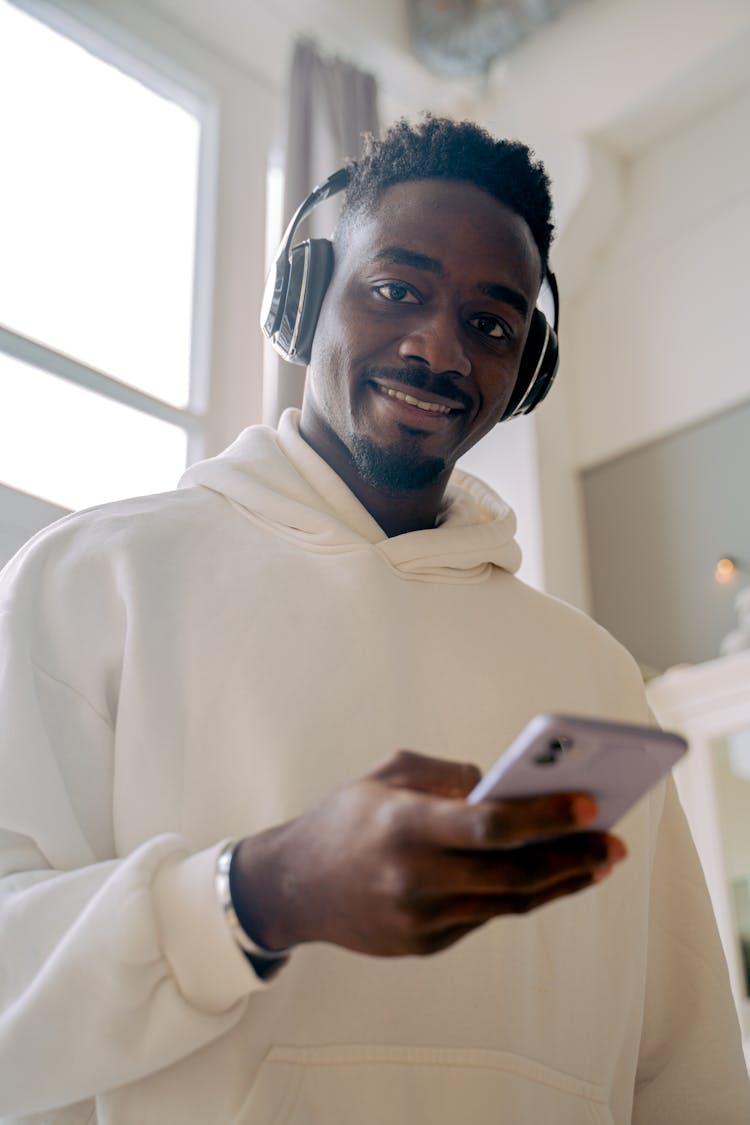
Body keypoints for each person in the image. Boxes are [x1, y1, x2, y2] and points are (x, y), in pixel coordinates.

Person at [0, 117, 747, 1124]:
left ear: (525, 371)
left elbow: (686, 1063)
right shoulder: (93, 580)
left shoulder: (595, 673)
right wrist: (256, 894)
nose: (439, 349)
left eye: (492, 324)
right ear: (303, 302)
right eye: (395, 290)